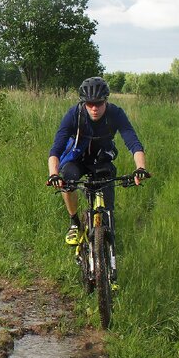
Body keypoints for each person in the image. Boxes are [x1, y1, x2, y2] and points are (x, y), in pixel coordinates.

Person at [46, 76, 150, 244]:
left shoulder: (115, 113)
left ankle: (106, 246)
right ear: (83, 102)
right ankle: (74, 223)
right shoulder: (74, 114)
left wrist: (140, 168)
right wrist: (53, 174)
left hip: (102, 160)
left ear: (106, 101)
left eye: (99, 103)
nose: (94, 108)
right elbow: (56, 148)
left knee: (108, 213)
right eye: (89, 104)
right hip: (77, 160)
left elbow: (133, 142)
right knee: (67, 179)